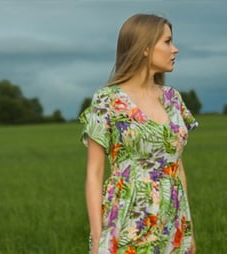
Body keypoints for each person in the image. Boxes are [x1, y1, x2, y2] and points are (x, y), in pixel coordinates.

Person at [79, 13, 199, 254]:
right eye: (167, 41)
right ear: (145, 48)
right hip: (128, 218)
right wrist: (97, 237)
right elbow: (94, 174)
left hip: (173, 219)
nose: (174, 49)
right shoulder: (107, 101)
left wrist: (188, 231)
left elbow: (178, 166)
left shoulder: (173, 99)